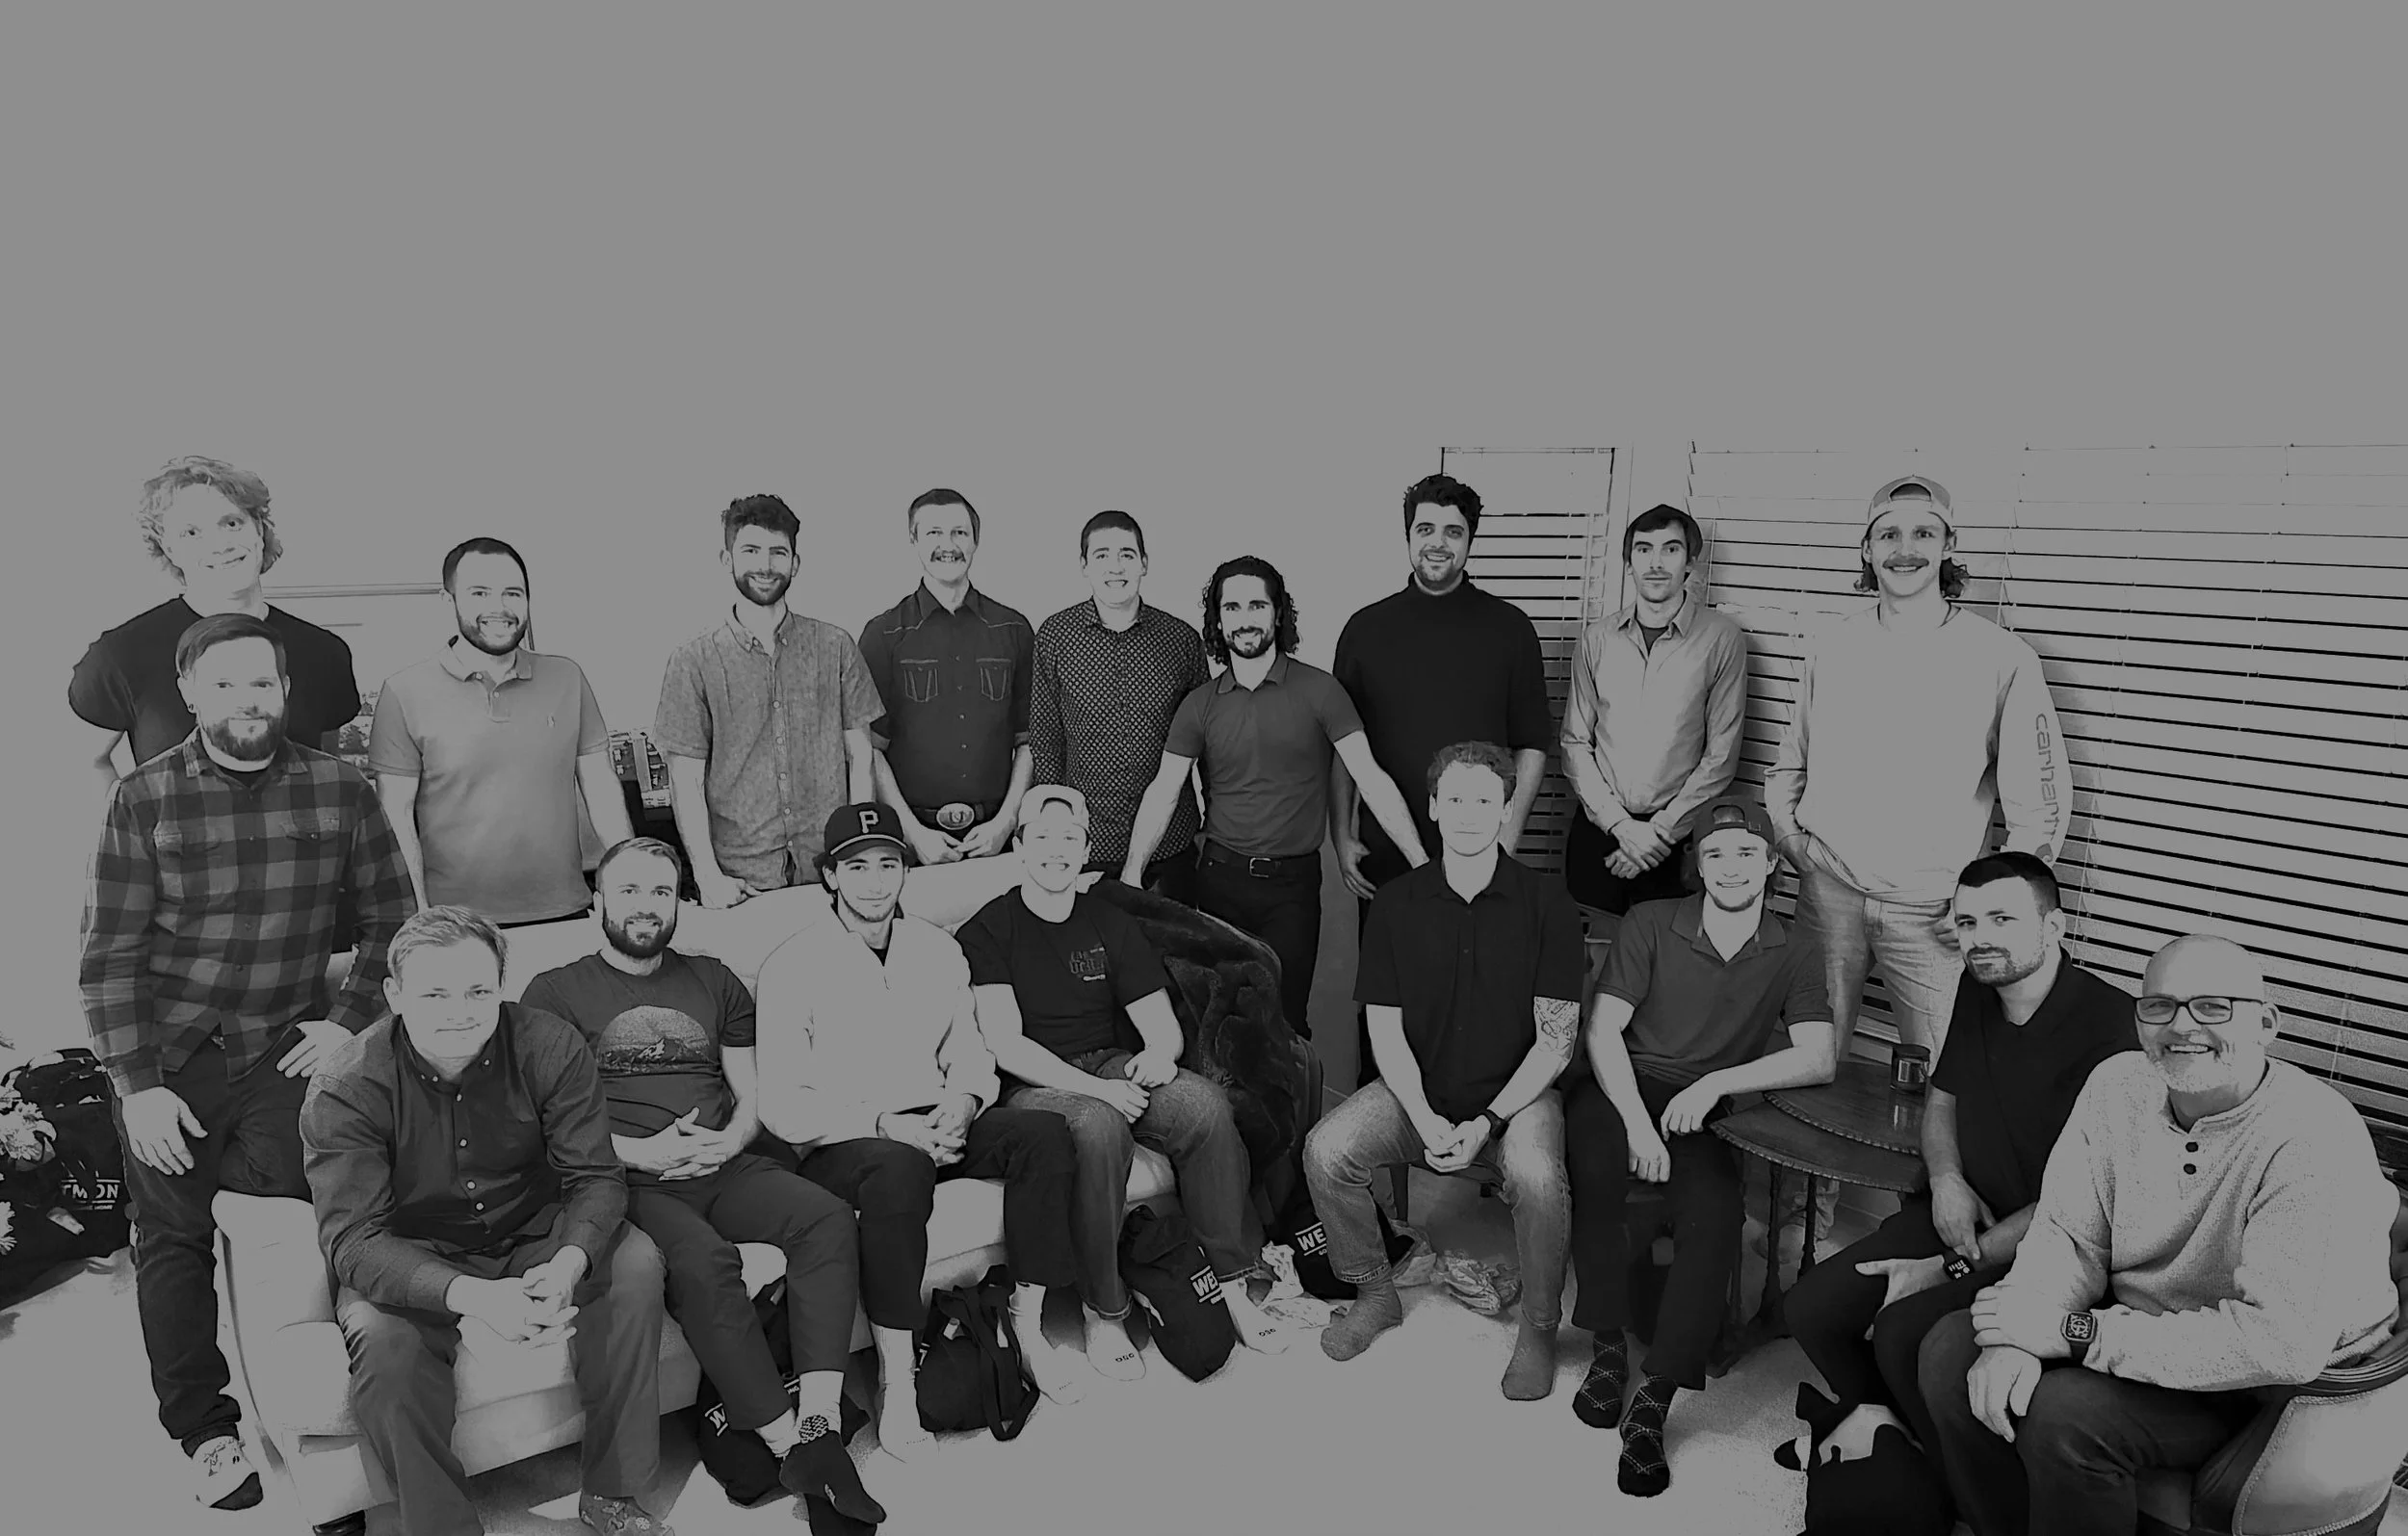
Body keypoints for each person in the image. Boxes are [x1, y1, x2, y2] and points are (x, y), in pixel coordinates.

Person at [78, 611, 413, 1511]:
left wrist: (348, 1020)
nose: (246, 700)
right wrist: (136, 1087)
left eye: (261, 683)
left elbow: (394, 922)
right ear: (189, 691)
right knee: (173, 1237)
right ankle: (206, 1428)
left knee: (290, 1223)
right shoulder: (143, 797)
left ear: (285, 689)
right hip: (170, 1054)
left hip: (284, 1048)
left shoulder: (341, 790)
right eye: (223, 684)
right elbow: (107, 957)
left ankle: (327, 1398)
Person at [1918, 934, 2399, 1536]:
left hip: (2267, 1385)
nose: (2183, 1026)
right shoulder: (2117, 1085)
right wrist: (2020, 1329)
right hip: (2149, 1328)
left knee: (2065, 1416)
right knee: (1948, 1350)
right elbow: (2069, 1233)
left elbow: (2282, 1345)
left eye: (2213, 1006)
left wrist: (2070, 1332)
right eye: (2160, 1006)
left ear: (2266, 1024)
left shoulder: (2312, 1135)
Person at [520, 839, 882, 1527]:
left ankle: (819, 1430)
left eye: (661, 892)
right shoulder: (554, 992)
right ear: (597, 900)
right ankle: (789, 1447)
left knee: (828, 1217)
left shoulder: (715, 979)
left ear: (678, 901)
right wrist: (641, 1152)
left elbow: (751, 1093)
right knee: (702, 1263)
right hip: (630, 1180)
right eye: (628, 891)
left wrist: (734, 1136)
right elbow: (546, 1122)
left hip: (724, 1164)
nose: (645, 906)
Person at [301, 907, 674, 1536]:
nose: (460, 1010)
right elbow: (354, 1240)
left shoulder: (549, 1044)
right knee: (386, 1352)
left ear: (501, 983)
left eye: (478, 989)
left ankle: (613, 1492)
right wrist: (472, 1295)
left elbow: (595, 1176)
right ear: (394, 994)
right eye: (435, 993)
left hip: (535, 1224)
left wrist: (570, 1260)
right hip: (409, 1247)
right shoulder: (347, 1085)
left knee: (634, 1261)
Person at [752, 802, 1088, 1454]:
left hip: (936, 1121)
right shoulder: (790, 966)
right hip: (844, 1143)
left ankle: (1027, 1325)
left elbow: (969, 1047)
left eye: (888, 864)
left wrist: (963, 1101)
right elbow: (783, 1103)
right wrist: (884, 1123)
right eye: (857, 867)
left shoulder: (937, 948)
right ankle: (897, 1380)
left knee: (1043, 1134)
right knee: (898, 1167)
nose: (875, 881)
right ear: (829, 876)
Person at [1780, 851, 2137, 1464]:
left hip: (2046, 1246)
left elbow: (2086, 1200)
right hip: (1958, 1212)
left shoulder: (2115, 1033)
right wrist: (1945, 1180)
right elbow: (1943, 1095)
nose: (1980, 939)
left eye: (2002, 919)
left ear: (2053, 927)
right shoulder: (1980, 986)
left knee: (1901, 1330)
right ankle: (1885, 1427)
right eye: (1968, 922)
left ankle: (1938, 1465)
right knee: (1811, 1308)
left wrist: (1961, 1260)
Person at [1559, 796, 1835, 1497]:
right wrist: (1638, 1124)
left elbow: (1818, 1056)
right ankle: (1608, 1346)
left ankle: (1653, 1402)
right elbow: (1603, 1032)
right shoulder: (1653, 922)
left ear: (1772, 864)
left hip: (1700, 1106)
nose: (1732, 866)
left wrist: (1717, 1081)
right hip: (1625, 1085)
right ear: (1698, 864)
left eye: (1747, 852)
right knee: (1597, 1172)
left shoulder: (1795, 947)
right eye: (1716, 853)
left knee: (1714, 1213)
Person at [966, 786, 1290, 1377]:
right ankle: (1104, 1310)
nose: (1057, 850)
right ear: (1018, 847)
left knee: (1203, 1107)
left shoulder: (1109, 921)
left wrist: (1162, 1057)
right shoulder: (989, 929)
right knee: (1098, 1126)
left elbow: (1157, 1026)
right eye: (1042, 836)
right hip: (1034, 1083)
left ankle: (1234, 1281)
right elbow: (1005, 1045)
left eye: (1071, 838)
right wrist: (1095, 1090)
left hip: (1111, 1062)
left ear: (1087, 848)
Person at [1303, 741, 1584, 1398]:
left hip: (1518, 1098)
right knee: (1326, 1149)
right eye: (1453, 798)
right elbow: (1385, 1027)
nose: (1466, 813)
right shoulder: (1398, 903)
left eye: (1484, 799)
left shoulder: (1548, 907)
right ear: (1432, 806)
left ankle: (1540, 1328)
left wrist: (1489, 1120)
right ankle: (1375, 1290)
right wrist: (1426, 1116)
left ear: (1506, 807)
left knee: (1539, 1173)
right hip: (1418, 1091)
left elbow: (1555, 1042)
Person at [1766, 474, 2069, 1063]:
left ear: (1949, 545)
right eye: (1889, 535)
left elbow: (2039, 807)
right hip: (1828, 897)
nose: (1905, 549)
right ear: (1866, 549)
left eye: (1924, 533)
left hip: (1935, 914)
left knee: (1946, 1085)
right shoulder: (1831, 646)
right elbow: (1789, 764)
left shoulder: (2002, 658)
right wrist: (1791, 841)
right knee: (1802, 1064)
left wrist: (1988, 911)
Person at [1121, 556, 1427, 1037]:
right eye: (1233, 607)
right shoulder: (1199, 705)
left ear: (1278, 614)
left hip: (1293, 888)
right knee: (1221, 1024)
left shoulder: (1321, 691)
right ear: (1218, 620)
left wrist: (1421, 864)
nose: (1245, 619)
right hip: (1220, 882)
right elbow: (1165, 789)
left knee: (1286, 1024)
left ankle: (1291, 1116)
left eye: (1257, 605)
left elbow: (1371, 777)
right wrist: (1133, 871)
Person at [1332, 474, 1554, 1077]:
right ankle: (1384, 1138)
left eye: (1453, 532)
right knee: (1387, 1001)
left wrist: (1505, 843)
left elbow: (1533, 745)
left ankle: (1474, 1138)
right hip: (1386, 857)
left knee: (1481, 1002)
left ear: (1470, 541)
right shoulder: (1365, 629)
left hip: (1485, 856)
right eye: (1425, 529)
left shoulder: (1509, 629)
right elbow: (1345, 748)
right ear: (1407, 537)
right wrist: (1341, 832)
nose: (1438, 543)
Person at [371, 537, 633, 923]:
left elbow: (601, 787)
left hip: (567, 909)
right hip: (457, 923)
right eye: (480, 593)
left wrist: (631, 882)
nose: (499, 608)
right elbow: (397, 814)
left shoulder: (567, 677)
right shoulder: (403, 692)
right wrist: (419, 915)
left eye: (513, 593)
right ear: (449, 601)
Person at [73, 456, 361, 800]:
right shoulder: (120, 654)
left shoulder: (324, 651)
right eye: (192, 532)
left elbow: (328, 765)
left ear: (259, 528)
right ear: (168, 547)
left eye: (232, 523)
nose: (219, 545)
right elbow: (88, 763)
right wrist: (132, 842)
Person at [655, 494, 882, 908]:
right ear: (726, 560)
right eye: (751, 551)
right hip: (742, 882)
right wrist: (708, 878)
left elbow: (861, 758)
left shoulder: (836, 647)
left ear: (795, 564)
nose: (765, 565)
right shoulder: (693, 662)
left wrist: (858, 857)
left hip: (827, 871)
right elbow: (684, 781)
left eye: (778, 552)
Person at [1558, 503, 1747, 921]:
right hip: (1599, 832)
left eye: (1671, 549)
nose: (1656, 563)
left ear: (1690, 562)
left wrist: (1657, 834)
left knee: (1666, 974)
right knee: (1584, 966)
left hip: (1674, 840)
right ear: (1629, 563)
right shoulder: (1597, 639)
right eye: (1643, 549)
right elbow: (1574, 742)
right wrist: (1622, 829)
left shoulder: (1722, 639)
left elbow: (1720, 757)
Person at [1029, 510, 1212, 902]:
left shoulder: (1181, 640)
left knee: (1171, 961)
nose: (1115, 567)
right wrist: (1054, 836)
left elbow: (1209, 742)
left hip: (1171, 845)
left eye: (1127, 555)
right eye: (1101, 556)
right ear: (1083, 565)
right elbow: (1046, 742)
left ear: (1145, 563)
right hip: (1085, 847)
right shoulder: (1055, 637)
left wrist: (1213, 822)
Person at [858, 489, 1035, 866]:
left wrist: (1006, 824)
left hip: (995, 839)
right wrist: (911, 833)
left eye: (959, 533)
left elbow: (1029, 742)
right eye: (934, 533)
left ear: (975, 540)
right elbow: (869, 750)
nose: (948, 545)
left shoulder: (1014, 629)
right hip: (913, 843)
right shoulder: (884, 635)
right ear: (913, 540)